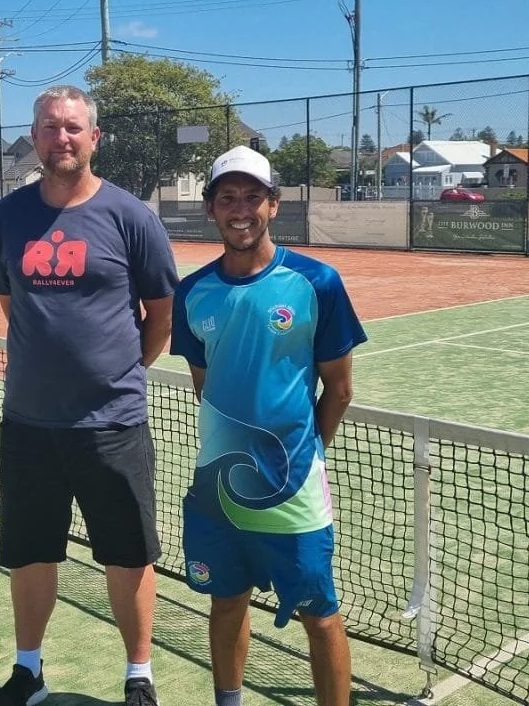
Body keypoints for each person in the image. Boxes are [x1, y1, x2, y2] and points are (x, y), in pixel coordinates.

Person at [0, 84, 179, 706]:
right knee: (31, 553)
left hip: (111, 425)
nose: (60, 138)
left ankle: (138, 673)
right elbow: (14, 304)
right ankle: (28, 670)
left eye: (72, 128)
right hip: (29, 424)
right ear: (34, 137)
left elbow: (161, 316)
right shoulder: (9, 217)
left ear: (94, 138)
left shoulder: (132, 217)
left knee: (126, 556)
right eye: (49, 127)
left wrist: (116, 372)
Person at [169, 145, 367, 706]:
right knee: (225, 602)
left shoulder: (317, 282)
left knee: (319, 614)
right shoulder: (193, 292)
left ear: (274, 205)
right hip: (217, 486)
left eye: (252, 197)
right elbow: (205, 384)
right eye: (227, 197)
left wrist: (301, 460)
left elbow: (341, 388)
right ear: (210, 208)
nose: (240, 209)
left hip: (295, 489)